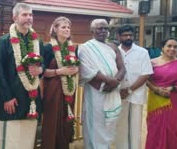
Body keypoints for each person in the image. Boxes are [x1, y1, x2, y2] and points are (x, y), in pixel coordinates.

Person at [0, 3, 45, 149]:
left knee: (27, 137)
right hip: (12, 98)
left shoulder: (37, 41)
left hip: (31, 98)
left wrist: (40, 70)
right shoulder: (4, 41)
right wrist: (7, 97)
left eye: (31, 15)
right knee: (10, 136)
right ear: (14, 17)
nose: (29, 18)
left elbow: (44, 64)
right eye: (24, 15)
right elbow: (0, 71)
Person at [78, 19, 125, 149]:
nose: (103, 31)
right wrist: (110, 81)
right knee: (96, 121)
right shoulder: (85, 48)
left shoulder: (113, 47)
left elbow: (122, 68)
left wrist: (116, 81)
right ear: (92, 30)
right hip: (96, 91)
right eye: (100, 28)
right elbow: (87, 70)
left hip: (113, 90)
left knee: (109, 124)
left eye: (105, 28)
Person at [145, 38, 177, 149]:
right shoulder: (152, 63)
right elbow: (145, 79)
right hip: (155, 101)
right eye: (169, 46)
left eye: (175, 47)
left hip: (173, 102)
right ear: (163, 47)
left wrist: (173, 88)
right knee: (154, 128)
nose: (172, 49)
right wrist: (156, 89)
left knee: (172, 129)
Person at [41, 17, 79, 149]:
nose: (67, 29)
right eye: (63, 27)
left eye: (68, 27)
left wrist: (75, 69)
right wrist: (60, 71)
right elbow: (42, 72)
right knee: (52, 121)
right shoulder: (47, 48)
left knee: (66, 121)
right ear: (55, 29)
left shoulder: (72, 49)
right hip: (53, 90)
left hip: (69, 90)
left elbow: (77, 67)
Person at [115, 25, 153, 149]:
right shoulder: (115, 52)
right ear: (119, 36)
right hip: (118, 95)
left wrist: (130, 90)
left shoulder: (142, 52)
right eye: (125, 35)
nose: (128, 37)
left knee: (135, 127)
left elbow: (146, 73)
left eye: (130, 35)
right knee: (120, 126)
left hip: (136, 95)